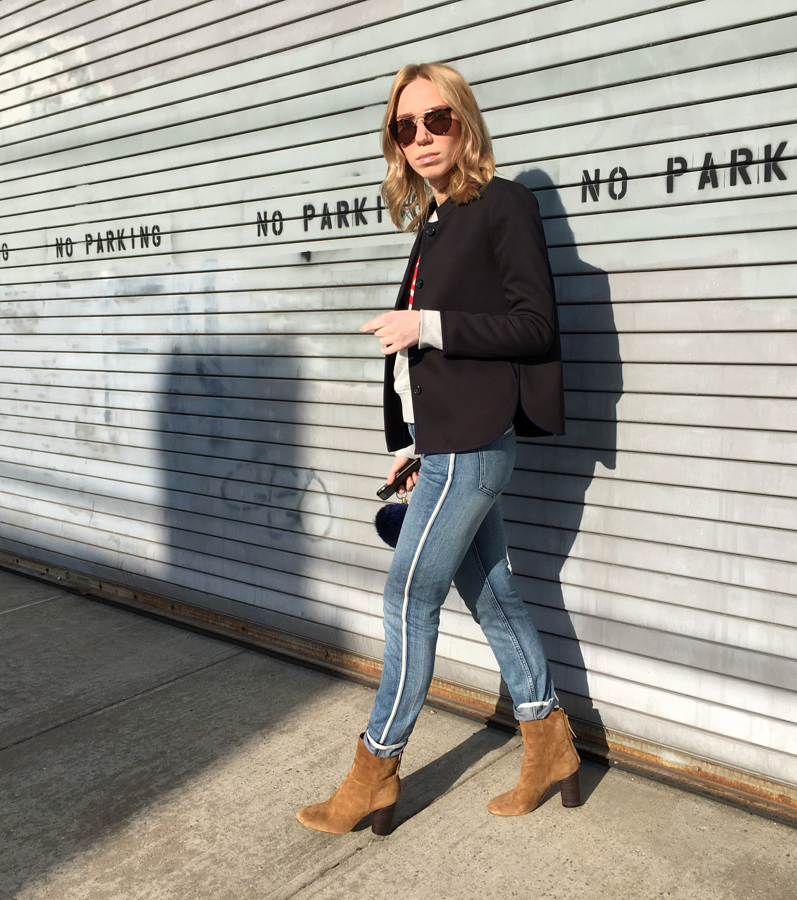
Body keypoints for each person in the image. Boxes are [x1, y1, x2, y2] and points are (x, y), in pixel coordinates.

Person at [296, 63, 581, 836]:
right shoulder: (436, 217)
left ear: (465, 122)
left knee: (406, 598)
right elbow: (438, 370)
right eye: (404, 126)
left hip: (476, 448)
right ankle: (551, 742)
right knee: (492, 597)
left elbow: (536, 326)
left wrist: (425, 325)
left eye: (436, 121)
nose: (421, 137)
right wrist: (417, 442)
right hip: (449, 445)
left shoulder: (502, 204)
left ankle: (373, 772)